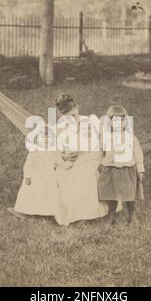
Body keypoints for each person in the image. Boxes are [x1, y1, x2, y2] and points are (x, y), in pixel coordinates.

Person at [53, 93, 108, 226]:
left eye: (73, 115)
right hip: (69, 159)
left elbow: (104, 141)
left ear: (77, 107)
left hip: (92, 156)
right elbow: (54, 148)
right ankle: (74, 213)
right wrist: (63, 156)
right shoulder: (59, 126)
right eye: (66, 117)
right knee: (64, 174)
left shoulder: (90, 121)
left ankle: (86, 214)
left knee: (84, 174)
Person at [97, 105, 144, 225]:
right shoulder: (106, 137)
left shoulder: (131, 138)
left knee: (129, 195)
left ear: (126, 121)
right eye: (115, 120)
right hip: (111, 170)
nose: (119, 123)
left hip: (127, 170)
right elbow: (101, 152)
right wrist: (102, 164)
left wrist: (140, 170)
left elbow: (138, 155)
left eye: (122, 120)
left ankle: (132, 216)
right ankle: (112, 216)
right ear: (110, 122)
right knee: (111, 194)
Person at [9, 126, 59, 217]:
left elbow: (56, 162)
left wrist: (56, 166)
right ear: (37, 139)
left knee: (48, 193)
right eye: (43, 138)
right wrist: (27, 176)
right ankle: (25, 211)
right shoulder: (35, 151)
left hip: (49, 176)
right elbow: (28, 164)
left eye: (48, 138)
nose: (46, 140)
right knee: (31, 193)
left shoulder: (53, 151)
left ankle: (48, 212)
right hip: (35, 176)